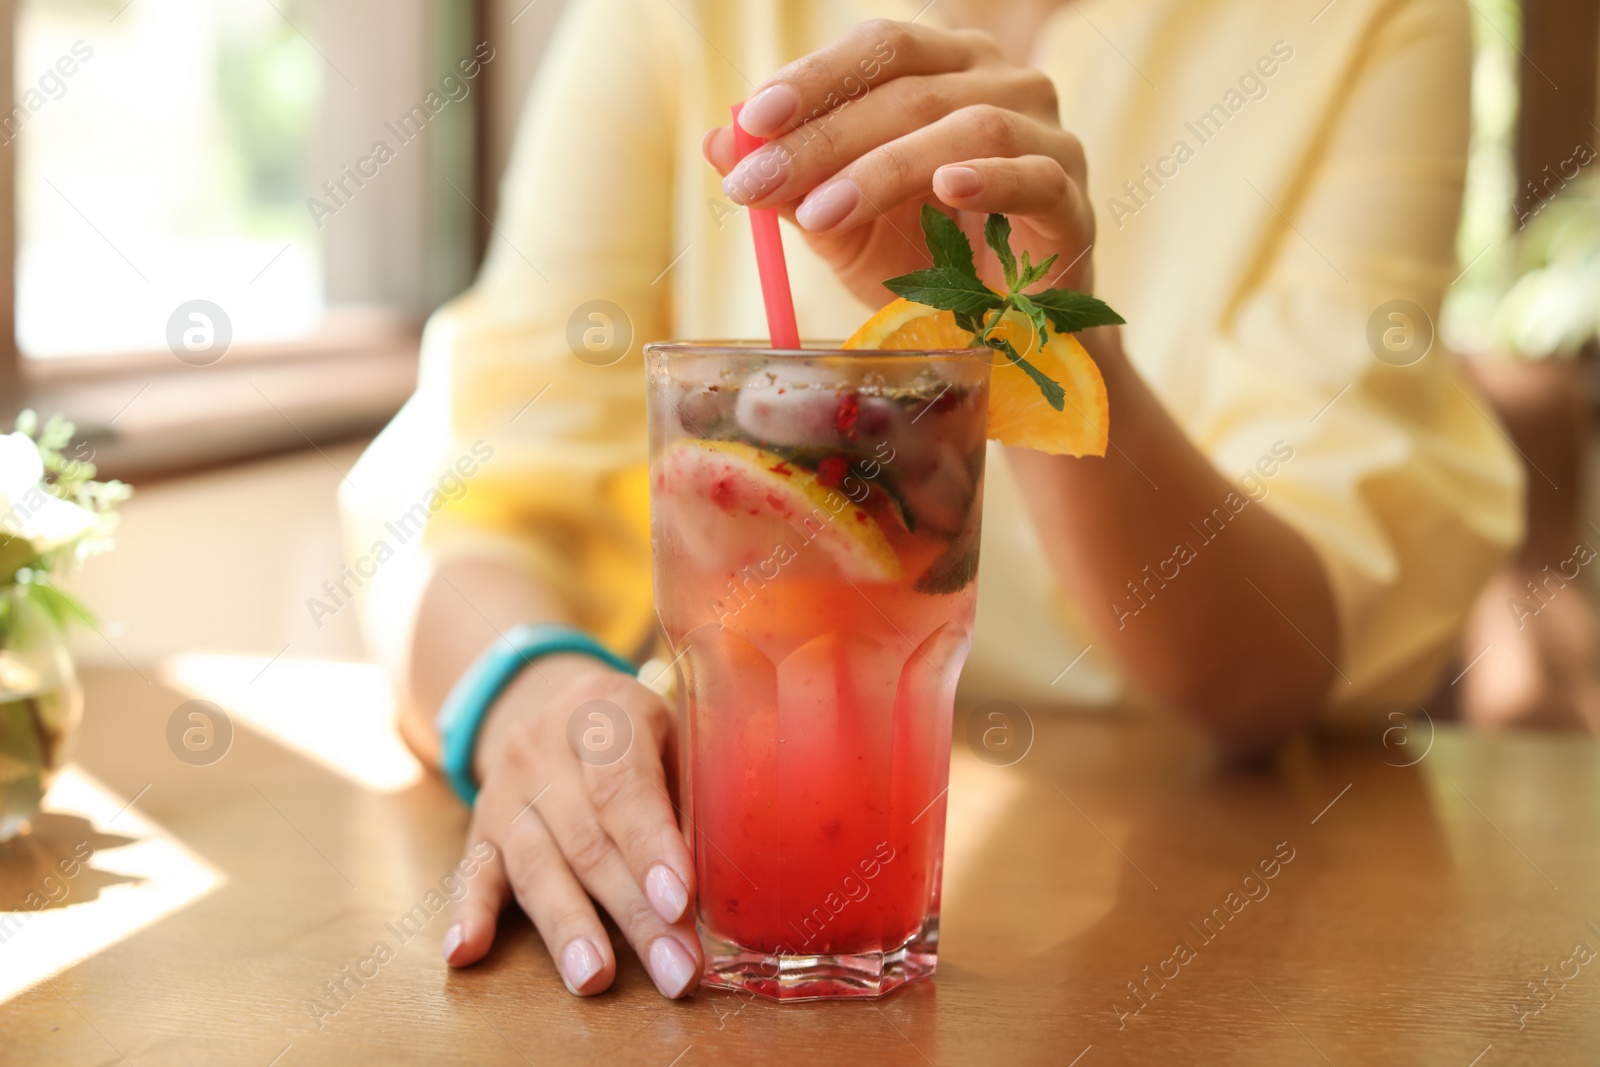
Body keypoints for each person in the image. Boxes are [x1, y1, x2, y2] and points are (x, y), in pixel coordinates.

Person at [341, 0, 1520, 1000]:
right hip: (733, 908)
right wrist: (528, 693)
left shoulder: (1370, 22)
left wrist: (1040, 336)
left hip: (1198, 914)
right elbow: (466, 489)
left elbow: (1276, 661)